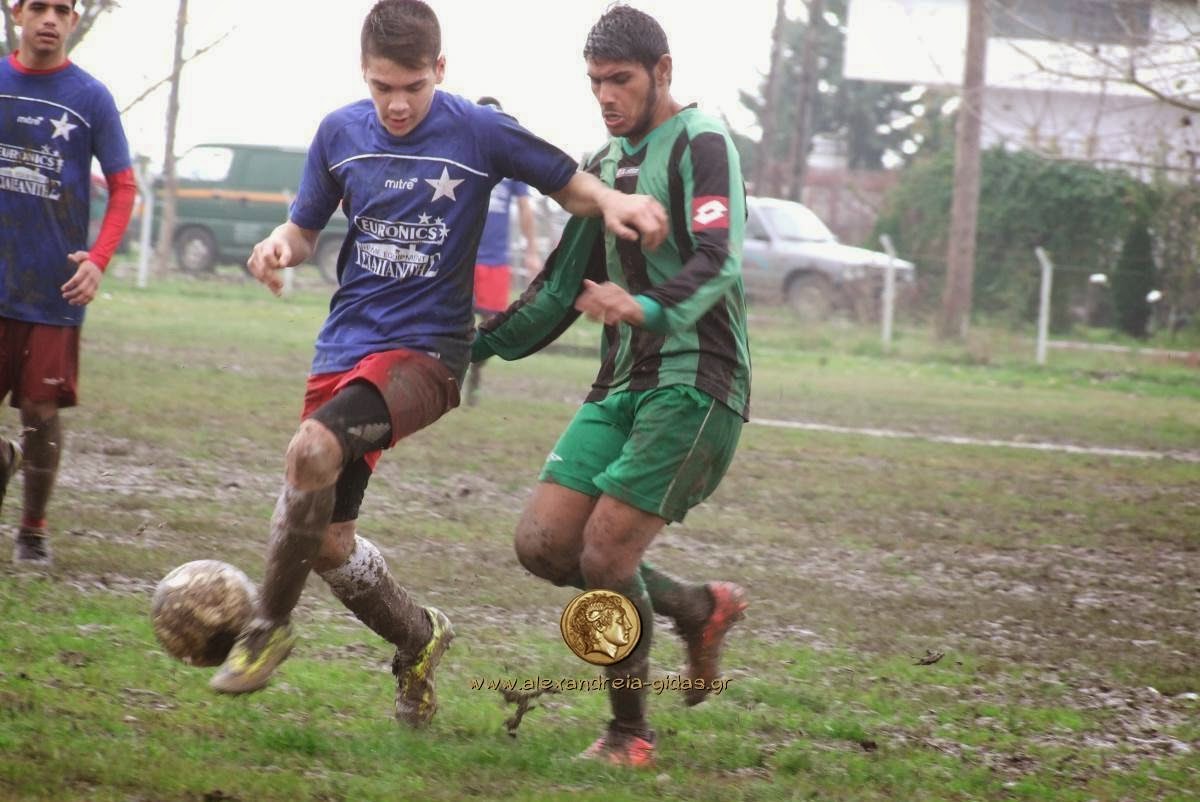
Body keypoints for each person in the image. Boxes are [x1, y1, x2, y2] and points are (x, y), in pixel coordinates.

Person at [209, 0, 668, 731]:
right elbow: (303, 228)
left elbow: (564, 179)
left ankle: (267, 628)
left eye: (413, 87)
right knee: (325, 541)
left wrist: (612, 199)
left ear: (441, 70)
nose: (397, 104)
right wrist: (276, 248)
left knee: (311, 449)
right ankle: (419, 639)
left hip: (428, 355)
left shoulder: (477, 130)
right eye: (382, 87)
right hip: (344, 351)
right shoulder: (338, 133)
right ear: (363, 73)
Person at [473, 5, 751, 766]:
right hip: (622, 384)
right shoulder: (599, 165)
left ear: (663, 71)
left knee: (603, 558)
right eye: (595, 81)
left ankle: (630, 733)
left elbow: (721, 258)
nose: (605, 95)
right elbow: (562, 286)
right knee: (543, 546)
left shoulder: (702, 140)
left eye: (620, 79)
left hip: (697, 382)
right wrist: (473, 345)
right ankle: (697, 606)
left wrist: (648, 306)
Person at [0, 0, 136, 564]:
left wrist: (98, 260)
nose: (50, 18)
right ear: (17, 13)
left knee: (39, 412)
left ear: (74, 20)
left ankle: (32, 531)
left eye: (62, 8)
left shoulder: (90, 97)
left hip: (54, 287)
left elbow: (124, 187)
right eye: (39, 6)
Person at [464, 96, 540, 406]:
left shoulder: (510, 163)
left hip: (495, 260)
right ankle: (449, 375)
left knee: (490, 325)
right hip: (463, 257)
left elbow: (525, 207)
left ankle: (475, 373)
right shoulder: (462, 155)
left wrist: (532, 250)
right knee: (453, 318)